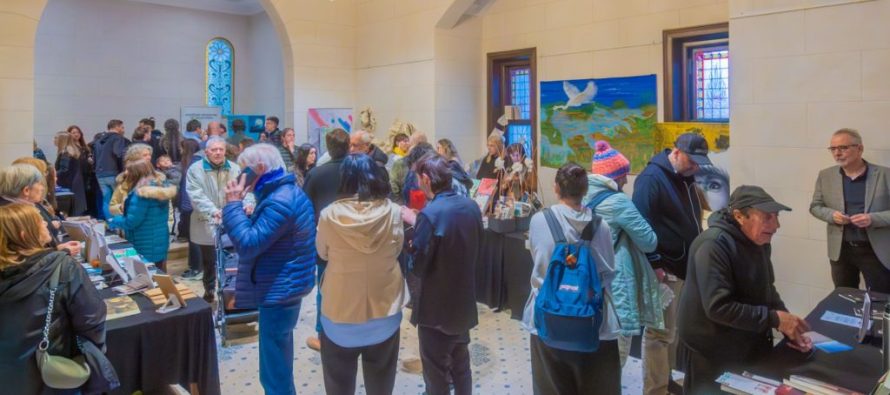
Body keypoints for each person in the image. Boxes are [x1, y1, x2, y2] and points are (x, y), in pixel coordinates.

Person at [679, 185, 813, 394]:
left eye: (776, 216)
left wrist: (786, 322)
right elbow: (718, 307)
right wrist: (774, 319)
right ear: (739, 216)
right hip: (712, 350)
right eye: (767, 217)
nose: (776, 225)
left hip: (746, 343)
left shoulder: (759, 241)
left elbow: (766, 288)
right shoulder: (713, 245)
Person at [222, 143, 315, 395]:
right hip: (284, 283)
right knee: (278, 355)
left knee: (273, 368)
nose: (241, 176)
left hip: (280, 288)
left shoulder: (280, 200)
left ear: (260, 168)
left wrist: (232, 205)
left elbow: (249, 244)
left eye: (245, 170)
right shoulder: (282, 192)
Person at [524, 162, 620, 394]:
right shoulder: (601, 227)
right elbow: (607, 272)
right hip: (593, 324)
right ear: (585, 190)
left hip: (547, 319)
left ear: (556, 188)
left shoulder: (539, 220)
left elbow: (537, 259)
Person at [316, 153, 404, 395]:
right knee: (381, 384)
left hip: (339, 314)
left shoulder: (329, 215)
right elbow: (397, 250)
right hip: (384, 309)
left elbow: (322, 254)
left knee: (338, 383)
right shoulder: (393, 211)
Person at [0, 203, 107, 395]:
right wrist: (91, 354)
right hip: (53, 372)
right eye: (39, 221)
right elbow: (92, 318)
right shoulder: (62, 267)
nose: (45, 223)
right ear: (25, 235)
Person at [632, 132, 710, 395]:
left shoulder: (683, 176)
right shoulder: (651, 179)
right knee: (658, 333)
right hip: (663, 270)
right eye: (692, 160)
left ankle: (665, 379)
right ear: (675, 152)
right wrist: (655, 264)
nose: (695, 167)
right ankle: (655, 389)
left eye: (699, 162)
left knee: (670, 332)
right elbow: (639, 226)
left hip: (682, 266)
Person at [401, 154, 483, 395]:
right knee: (461, 365)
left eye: (418, 179)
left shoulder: (430, 214)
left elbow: (418, 265)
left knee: (435, 372)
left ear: (426, 179)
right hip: (464, 299)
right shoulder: (471, 206)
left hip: (435, 309)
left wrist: (410, 238)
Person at [583, 141, 663, 369]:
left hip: (588, 276)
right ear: (614, 177)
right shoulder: (618, 202)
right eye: (623, 175)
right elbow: (649, 241)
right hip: (615, 279)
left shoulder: (581, 194)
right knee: (616, 350)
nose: (626, 181)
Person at [810, 128, 890, 293]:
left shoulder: (884, 174)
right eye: (833, 149)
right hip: (841, 251)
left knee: (880, 301)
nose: (837, 153)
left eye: (843, 148)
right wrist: (832, 215)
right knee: (843, 298)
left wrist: (873, 218)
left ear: (859, 148)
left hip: (875, 251)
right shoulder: (826, 175)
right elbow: (815, 206)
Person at [302, 128, 350, 351]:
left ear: (328, 149)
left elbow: (305, 207)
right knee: (354, 285)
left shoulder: (316, 174)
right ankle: (352, 330)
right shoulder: (357, 172)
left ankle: (323, 336)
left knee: (324, 286)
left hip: (325, 240)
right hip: (354, 237)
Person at [186, 136, 245, 302]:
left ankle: (230, 294)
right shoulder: (195, 170)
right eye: (214, 150)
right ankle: (209, 290)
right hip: (206, 220)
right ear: (207, 152)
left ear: (225, 151)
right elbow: (196, 195)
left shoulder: (234, 168)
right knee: (209, 261)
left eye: (221, 149)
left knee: (230, 260)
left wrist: (247, 204)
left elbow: (244, 191)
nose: (218, 153)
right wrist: (213, 211)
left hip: (231, 221)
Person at [0, 163, 81, 256]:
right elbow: (22, 261)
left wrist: (57, 249)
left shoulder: (18, 207)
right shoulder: (12, 215)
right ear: (26, 190)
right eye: (39, 184)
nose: (42, 188)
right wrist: (61, 253)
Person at [109, 160, 176, 270]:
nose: (126, 174)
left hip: (144, 243)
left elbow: (132, 222)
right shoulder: (160, 187)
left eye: (129, 172)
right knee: (160, 272)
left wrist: (114, 220)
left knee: (148, 276)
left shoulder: (141, 195)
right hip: (159, 240)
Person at [93, 119, 129, 220]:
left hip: (99, 174)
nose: (123, 129)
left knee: (106, 200)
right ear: (117, 127)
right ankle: (119, 223)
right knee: (118, 199)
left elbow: (95, 158)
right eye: (122, 127)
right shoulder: (118, 138)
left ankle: (110, 223)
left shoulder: (98, 140)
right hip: (113, 173)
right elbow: (118, 153)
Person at [178, 139, 204, 278]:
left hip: (192, 207)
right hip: (190, 206)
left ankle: (197, 269)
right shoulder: (193, 162)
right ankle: (195, 266)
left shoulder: (194, 164)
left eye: (181, 148)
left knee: (195, 239)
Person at [108, 144, 154, 217]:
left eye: (149, 155)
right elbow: (112, 207)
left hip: (153, 225)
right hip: (131, 224)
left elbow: (167, 207)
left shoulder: (157, 178)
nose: (149, 157)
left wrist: (169, 225)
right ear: (135, 158)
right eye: (145, 155)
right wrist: (121, 208)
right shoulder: (124, 182)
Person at [54, 131, 89, 216]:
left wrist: (52, 175)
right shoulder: (72, 151)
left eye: (55, 138)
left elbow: (63, 171)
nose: (54, 140)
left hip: (68, 185)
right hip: (75, 184)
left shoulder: (65, 153)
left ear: (61, 140)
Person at [68, 125, 98, 217]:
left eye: (78, 132)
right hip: (78, 175)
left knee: (89, 196)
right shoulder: (70, 148)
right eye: (73, 133)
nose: (76, 134)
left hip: (88, 175)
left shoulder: (85, 146)